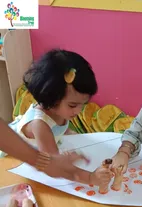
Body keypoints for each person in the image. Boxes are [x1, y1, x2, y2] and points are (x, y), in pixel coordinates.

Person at [0, 49, 112, 186]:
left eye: (83, 104)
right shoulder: (40, 125)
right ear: (51, 98)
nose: (78, 111)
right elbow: (55, 166)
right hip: (9, 159)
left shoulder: (60, 111)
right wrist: (90, 178)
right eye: (72, 105)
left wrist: (74, 136)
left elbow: (60, 129)